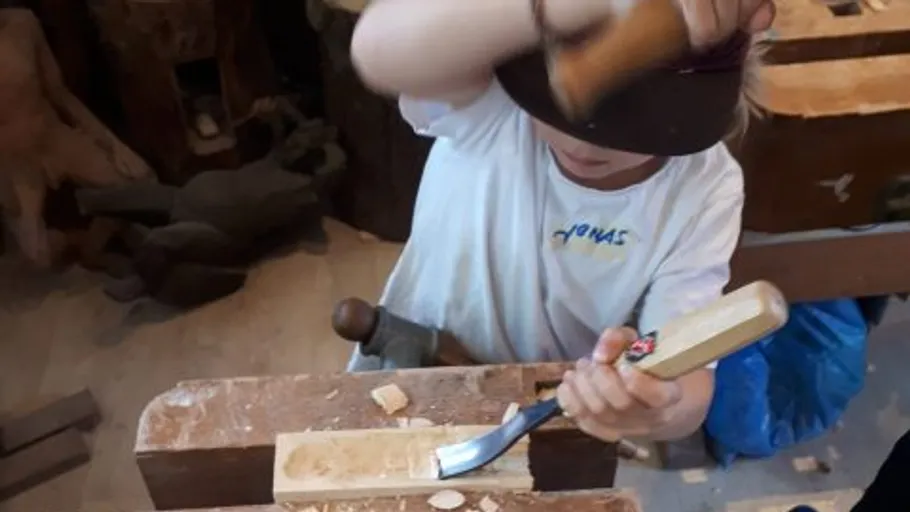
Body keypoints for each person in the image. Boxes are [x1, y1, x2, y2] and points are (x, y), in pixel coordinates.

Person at [345, 0, 776, 444]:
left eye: (632, 130)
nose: (583, 143)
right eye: (556, 110)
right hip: (409, 369)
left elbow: (689, 384)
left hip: (549, 410)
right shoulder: (491, 108)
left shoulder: (705, 189)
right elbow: (379, 50)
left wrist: (654, 410)